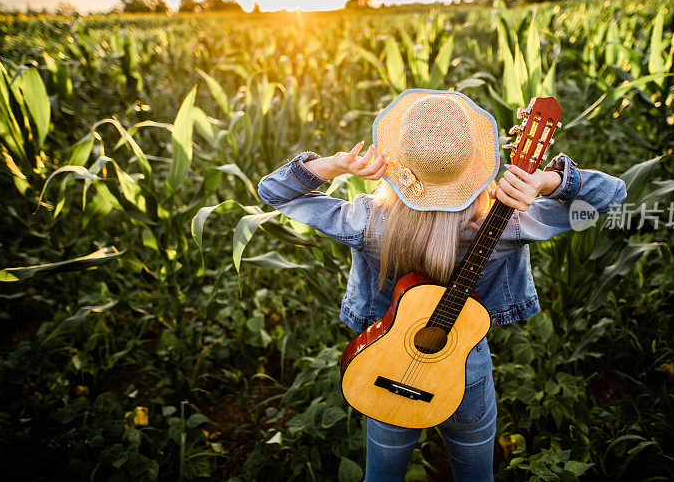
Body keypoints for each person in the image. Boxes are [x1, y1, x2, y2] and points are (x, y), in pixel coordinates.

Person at [257, 89, 626, 481]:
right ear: (474, 164)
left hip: (386, 367)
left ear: (399, 158)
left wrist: (333, 166)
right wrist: (549, 182)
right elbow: (613, 196)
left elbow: (273, 192)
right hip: (466, 368)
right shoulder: (509, 224)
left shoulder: (366, 221)